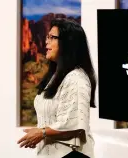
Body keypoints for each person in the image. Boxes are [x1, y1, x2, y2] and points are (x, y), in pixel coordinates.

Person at [17, 18, 96, 158]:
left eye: (52, 37)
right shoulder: (54, 77)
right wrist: (40, 132)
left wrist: (41, 132)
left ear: (68, 43)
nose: (46, 41)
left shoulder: (76, 78)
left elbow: (74, 124)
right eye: (47, 37)